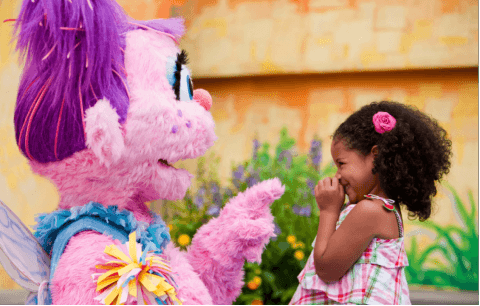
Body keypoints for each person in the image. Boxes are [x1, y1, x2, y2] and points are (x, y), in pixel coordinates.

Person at [289, 101, 452, 305]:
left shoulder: (370, 211)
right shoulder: (381, 208)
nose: (337, 176)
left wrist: (329, 211)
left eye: (341, 164)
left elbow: (326, 270)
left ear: (376, 157)